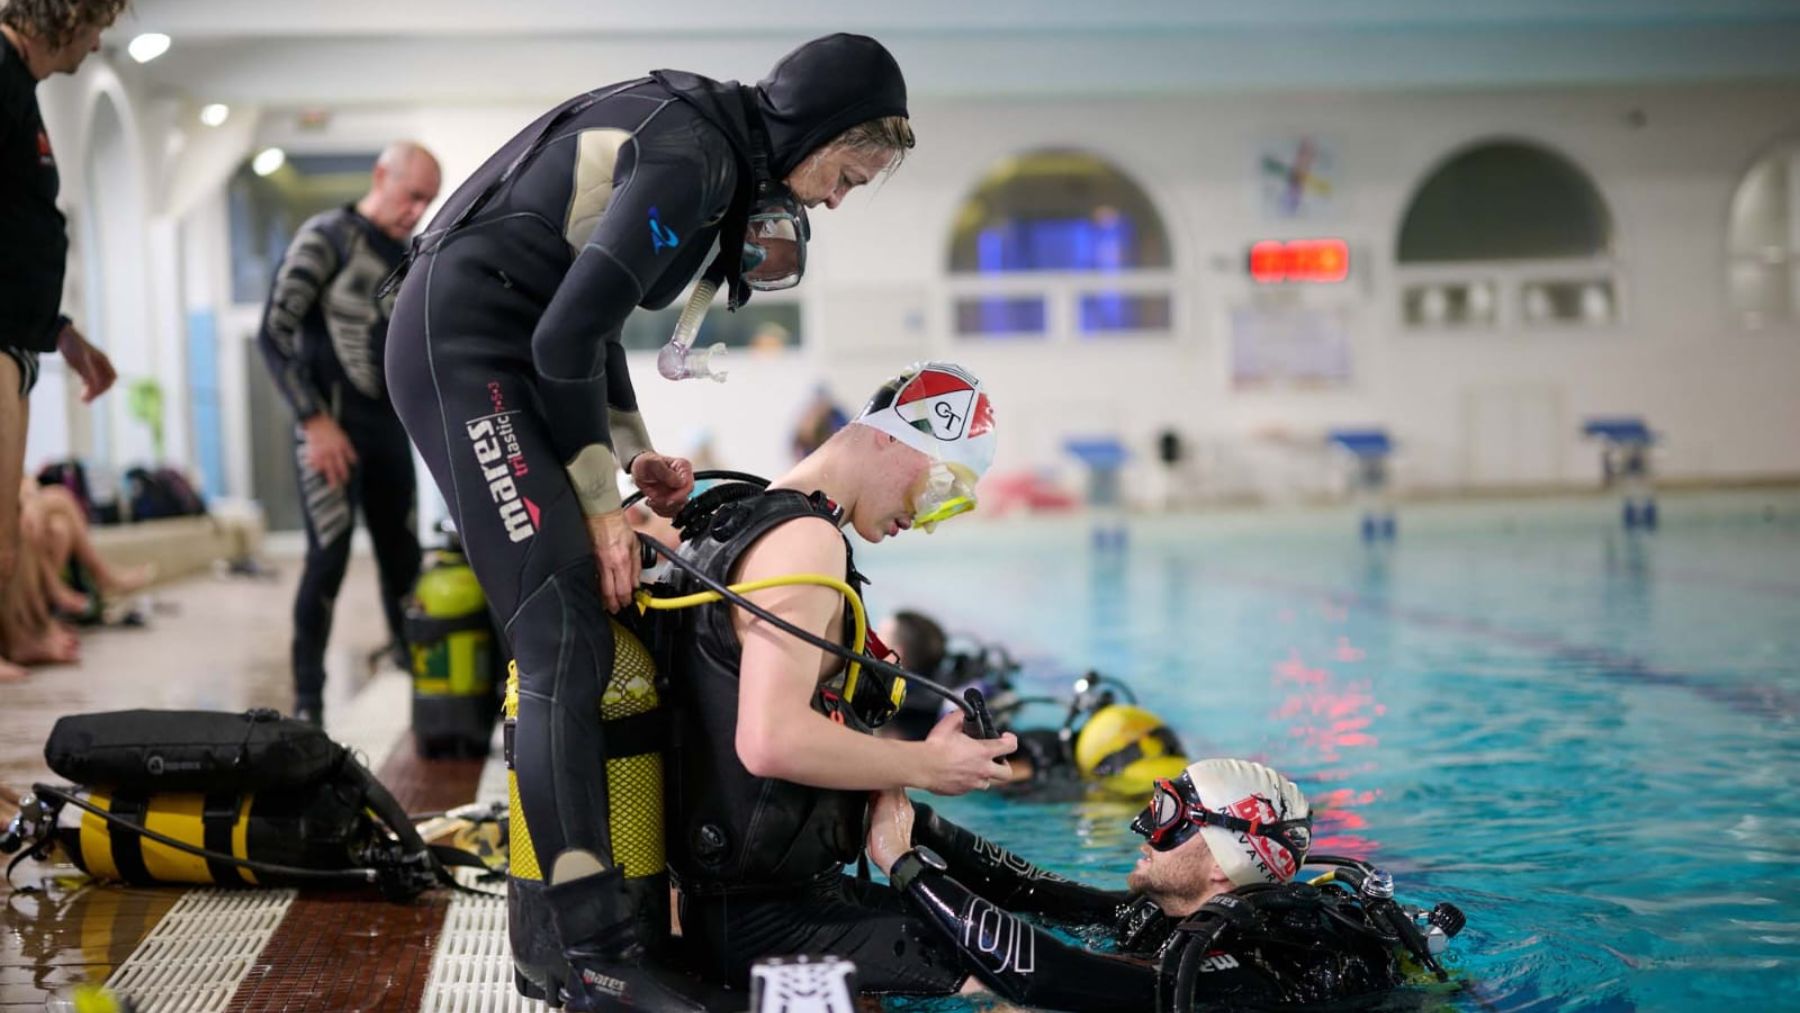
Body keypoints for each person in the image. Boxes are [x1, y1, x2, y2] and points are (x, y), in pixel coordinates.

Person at [383, 34, 917, 1010]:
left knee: (584, 620)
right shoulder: (695, 158)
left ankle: (595, 934)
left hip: (500, 340)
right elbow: (562, 334)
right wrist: (598, 508)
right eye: (848, 172)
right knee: (563, 635)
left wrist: (631, 453)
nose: (839, 197)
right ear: (820, 129)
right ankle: (590, 951)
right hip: (466, 347)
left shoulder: (710, 142)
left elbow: (584, 306)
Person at [664, 361, 1017, 998]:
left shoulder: (750, 517)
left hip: (744, 899)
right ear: (891, 436)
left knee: (1009, 944)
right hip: (765, 920)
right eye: (939, 484)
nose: (929, 515)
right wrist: (924, 764)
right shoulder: (804, 539)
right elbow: (768, 740)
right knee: (1013, 979)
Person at [867, 758, 1458, 1011]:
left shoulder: (1256, 958)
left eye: (1171, 818)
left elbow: (1047, 977)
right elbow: (1036, 891)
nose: (1144, 828)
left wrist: (905, 866)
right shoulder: (1169, 911)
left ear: (1222, 866)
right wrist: (918, 819)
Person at [257, 142, 441, 725]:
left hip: (388, 429)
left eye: (427, 202)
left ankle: (420, 691)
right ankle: (308, 701)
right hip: (329, 426)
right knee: (328, 559)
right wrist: (313, 421)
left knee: (404, 562)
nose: (417, 210)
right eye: (412, 195)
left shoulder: (411, 255)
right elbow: (274, 331)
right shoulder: (327, 236)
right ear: (381, 175)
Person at [0, 0, 123, 673]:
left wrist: (62, 335)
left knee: (5, 556)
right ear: (69, 15)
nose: (100, 45)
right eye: (100, 26)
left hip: (17, 341)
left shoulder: (19, 84)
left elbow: (17, 236)